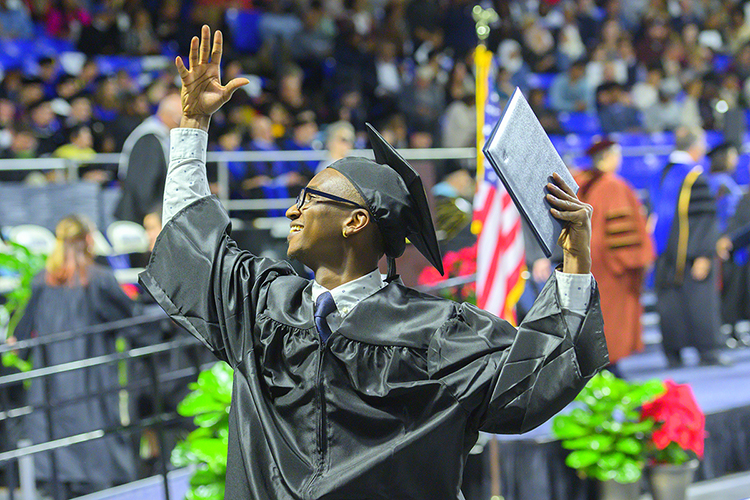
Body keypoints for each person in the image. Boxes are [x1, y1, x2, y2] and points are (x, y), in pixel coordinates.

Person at [139, 26, 608, 499]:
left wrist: (575, 257)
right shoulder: (264, 306)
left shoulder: (436, 333)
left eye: (309, 198)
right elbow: (191, 243)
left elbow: (535, 378)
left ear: (356, 221)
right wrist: (193, 126)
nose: (291, 210)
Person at [14, 215, 136, 497]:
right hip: (91, 396)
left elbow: (20, 337)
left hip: (50, 396)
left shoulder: (41, 282)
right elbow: (134, 322)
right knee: (96, 471)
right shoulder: (99, 281)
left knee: (57, 473)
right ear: (88, 241)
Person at [650, 127, 730, 367]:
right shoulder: (695, 177)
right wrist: (704, 254)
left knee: (670, 302)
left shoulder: (661, 174)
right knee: (700, 300)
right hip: (693, 254)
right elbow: (704, 219)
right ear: (695, 147)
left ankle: (673, 354)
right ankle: (709, 351)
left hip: (664, 254)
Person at [575, 138, 655, 374]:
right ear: (608, 157)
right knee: (611, 322)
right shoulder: (613, 186)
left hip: (586, 263)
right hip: (612, 269)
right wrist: (637, 260)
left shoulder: (583, 182)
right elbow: (621, 235)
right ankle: (609, 370)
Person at [114, 92, 182, 223]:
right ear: (172, 117)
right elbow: (143, 184)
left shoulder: (158, 136)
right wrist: (151, 214)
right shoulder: (149, 139)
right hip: (140, 218)